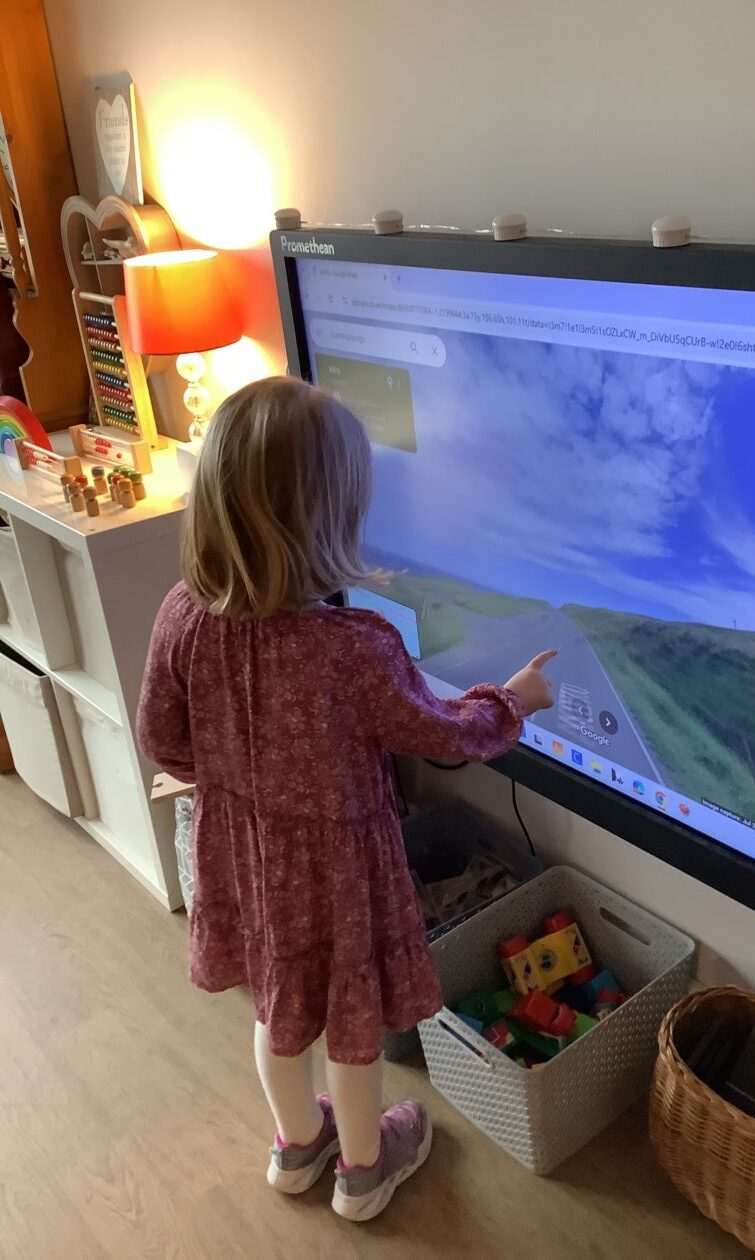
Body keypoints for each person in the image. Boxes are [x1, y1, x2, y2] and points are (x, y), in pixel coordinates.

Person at [136, 377, 555, 1222]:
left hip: (244, 854)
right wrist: (512, 700)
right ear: (330, 518)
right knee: (351, 1024)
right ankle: (364, 1169)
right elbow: (444, 733)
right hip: (339, 872)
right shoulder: (352, 646)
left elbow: (162, 740)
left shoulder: (182, 614)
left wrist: (237, 782)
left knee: (279, 1003)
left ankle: (297, 1146)